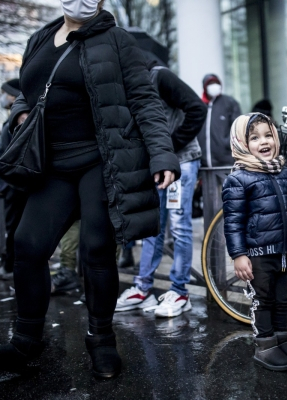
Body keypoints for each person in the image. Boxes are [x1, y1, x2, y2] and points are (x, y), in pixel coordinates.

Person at [0, 1, 180, 380]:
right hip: (51, 164)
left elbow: (145, 100)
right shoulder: (39, 38)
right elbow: (27, 90)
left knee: (95, 250)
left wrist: (163, 155)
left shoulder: (117, 41)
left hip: (102, 160)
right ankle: (26, 340)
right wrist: (19, 111)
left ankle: (101, 340)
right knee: (28, 246)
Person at [222, 113, 287, 371]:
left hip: (285, 251)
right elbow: (233, 221)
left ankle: (282, 339)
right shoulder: (238, 179)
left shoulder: (286, 174)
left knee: (284, 298)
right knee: (263, 298)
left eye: (268, 134)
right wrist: (238, 254)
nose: (264, 141)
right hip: (258, 254)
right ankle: (266, 346)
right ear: (241, 143)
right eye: (255, 137)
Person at [115, 54, 207, 317]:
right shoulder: (132, 86)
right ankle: (142, 288)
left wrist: (170, 147)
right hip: (157, 164)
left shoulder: (160, 76)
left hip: (183, 161)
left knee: (179, 226)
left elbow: (197, 109)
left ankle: (180, 291)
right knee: (152, 227)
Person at [0, 79, 26, 280]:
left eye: (6, 93)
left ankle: (11, 265)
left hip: (15, 183)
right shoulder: (12, 118)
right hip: (10, 182)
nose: (3, 97)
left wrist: (6, 180)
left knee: (14, 228)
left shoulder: (18, 118)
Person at [196, 74, 241, 223]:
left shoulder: (229, 103)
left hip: (226, 165)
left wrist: (226, 145)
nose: (214, 86)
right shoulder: (199, 105)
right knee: (210, 208)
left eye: (216, 83)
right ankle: (214, 243)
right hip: (205, 168)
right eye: (210, 83)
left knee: (230, 205)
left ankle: (230, 238)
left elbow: (238, 129)